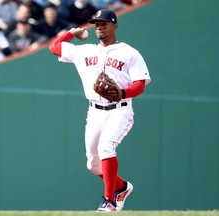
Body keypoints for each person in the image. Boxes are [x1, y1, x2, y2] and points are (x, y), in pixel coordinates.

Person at [49, 9, 151, 212]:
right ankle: (121, 188)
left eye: (104, 24)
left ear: (115, 26)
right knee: (93, 164)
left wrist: (121, 93)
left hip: (119, 110)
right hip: (94, 111)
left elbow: (140, 84)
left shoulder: (129, 53)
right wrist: (72, 32)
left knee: (106, 148)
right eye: (96, 24)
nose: (99, 27)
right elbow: (54, 47)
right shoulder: (84, 51)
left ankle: (109, 200)